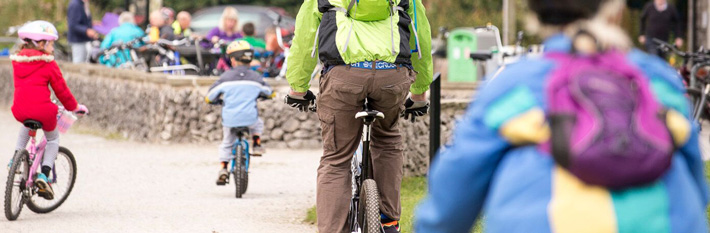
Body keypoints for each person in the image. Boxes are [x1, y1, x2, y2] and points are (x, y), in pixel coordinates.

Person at [414, 0, 709, 232]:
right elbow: (697, 185)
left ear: (533, 14)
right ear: (614, 8)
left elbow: (449, 202)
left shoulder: (513, 88)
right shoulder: (658, 81)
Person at [284, 0, 433, 232]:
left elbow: (305, 41)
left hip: (343, 76)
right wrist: (420, 93)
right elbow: (420, 40)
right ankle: (389, 221)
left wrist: (298, 88)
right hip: (392, 76)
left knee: (336, 156)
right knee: (387, 140)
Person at [10, 21, 89, 200]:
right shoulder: (48, 64)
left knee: (26, 123)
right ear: (41, 43)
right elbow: (62, 91)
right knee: (53, 139)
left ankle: (15, 158)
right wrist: (75, 107)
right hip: (43, 111)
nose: (53, 48)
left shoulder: (17, 61)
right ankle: (44, 175)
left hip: (19, 109)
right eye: (51, 43)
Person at [205, 40, 273, 185]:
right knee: (257, 123)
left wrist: (214, 101)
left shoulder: (225, 77)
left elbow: (209, 96)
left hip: (230, 119)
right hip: (250, 118)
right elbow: (269, 92)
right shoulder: (256, 77)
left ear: (233, 60)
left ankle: (223, 168)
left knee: (227, 142)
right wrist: (264, 96)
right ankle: (256, 143)